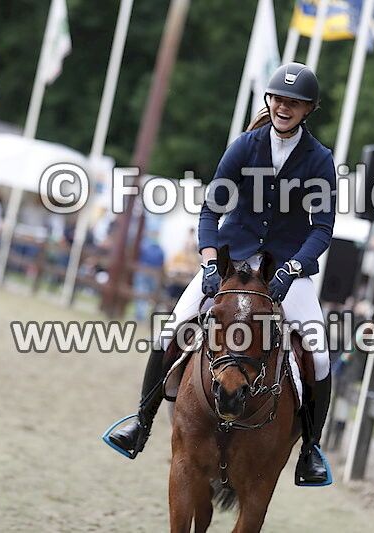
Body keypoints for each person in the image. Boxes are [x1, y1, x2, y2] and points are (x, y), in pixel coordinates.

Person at [108, 63, 336, 485]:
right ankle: (141, 421)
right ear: (269, 101)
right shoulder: (245, 146)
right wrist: (211, 261)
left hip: (287, 268)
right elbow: (212, 208)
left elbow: (322, 228)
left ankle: (309, 450)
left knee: (319, 355)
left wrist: (293, 268)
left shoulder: (320, 160)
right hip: (231, 261)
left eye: (294, 102)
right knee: (170, 331)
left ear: (309, 109)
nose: (284, 107)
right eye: (278, 99)